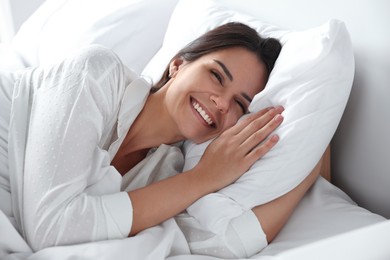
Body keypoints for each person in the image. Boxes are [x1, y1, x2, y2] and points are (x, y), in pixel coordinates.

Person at [0, 22, 321, 254]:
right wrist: (204, 177)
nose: (222, 103)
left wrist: (313, 155)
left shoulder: (166, 172)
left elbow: (226, 240)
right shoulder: (96, 73)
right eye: (216, 75)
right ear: (178, 65)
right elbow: (50, 227)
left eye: (240, 104)